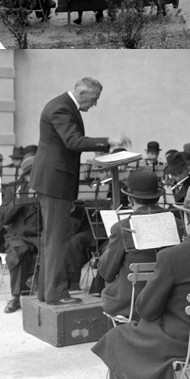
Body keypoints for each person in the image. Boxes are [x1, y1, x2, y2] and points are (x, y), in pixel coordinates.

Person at [92, 185, 190, 379]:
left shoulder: (171, 257)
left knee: (117, 337)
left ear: (187, 217)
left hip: (188, 343)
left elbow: (146, 311)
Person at [30, 78, 130, 305]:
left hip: (52, 181)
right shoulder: (61, 108)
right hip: (55, 183)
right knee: (57, 240)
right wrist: (109, 141)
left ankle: (47, 293)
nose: (94, 105)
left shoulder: (63, 105)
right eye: (94, 100)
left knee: (52, 239)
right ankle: (56, 293)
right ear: (82, 93)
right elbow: (73, 141)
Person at [98, 170, 182, 319]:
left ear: (130, 199)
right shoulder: (178, 224)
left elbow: (106, 272)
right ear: (158, 197)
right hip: (170, 301)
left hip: (131, 305)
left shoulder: (122, 228)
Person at [0, 154, 39, 313]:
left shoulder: (45, 189)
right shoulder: (12, 188)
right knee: (16, 253)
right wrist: (17, 202)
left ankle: (43, 294)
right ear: (27, 175)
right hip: (18, 235)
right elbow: (4, 218)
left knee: (53, 251)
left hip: (39, 234)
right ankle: (16, 297)